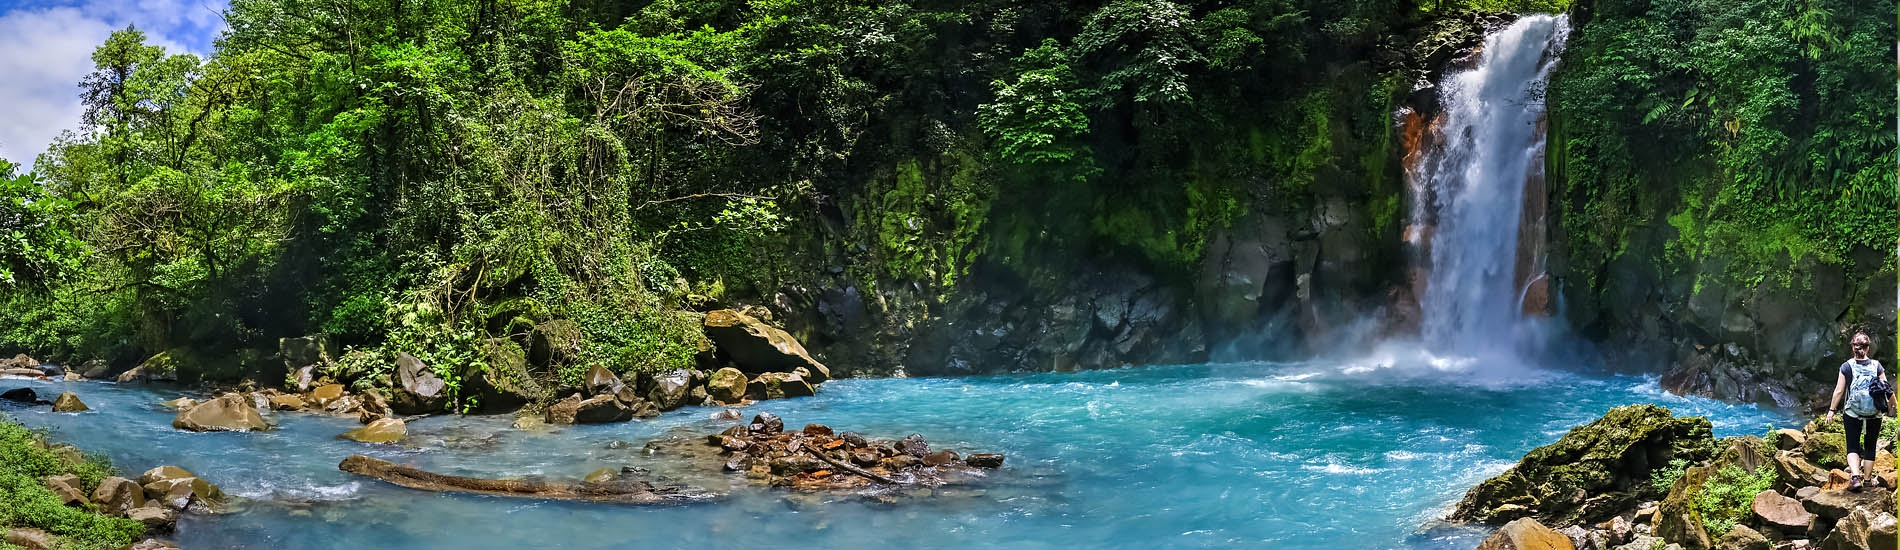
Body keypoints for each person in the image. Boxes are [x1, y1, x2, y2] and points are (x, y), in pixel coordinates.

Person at [1826, 331, 1890, 492]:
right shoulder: (1877, 366)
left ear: (1853, 348)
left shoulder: (1846, 366)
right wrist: (1892, 406)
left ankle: (1855, 478)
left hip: (1852, 413)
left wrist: (1831, 410)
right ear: (1867, 348)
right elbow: (1887, 389)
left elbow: (1839, 391)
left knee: (1852, 446)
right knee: (1870, 446)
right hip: (1874, 414)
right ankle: (1868, 481)